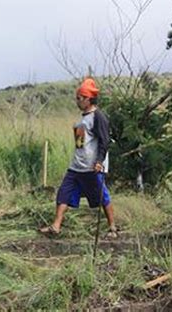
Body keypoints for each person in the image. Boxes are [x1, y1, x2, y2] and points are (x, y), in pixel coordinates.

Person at [40, 78, 118, 238]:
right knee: (64, 193)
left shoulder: (98, 117)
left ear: (89, 99)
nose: (77, 101)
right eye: (77, 98)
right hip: (77, 166)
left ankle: (112, 227)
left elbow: (104, 141)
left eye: (80, 98)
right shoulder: (83, 119)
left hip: (92, 166)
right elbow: (81, 144)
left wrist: (99, 161)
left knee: (102, 196)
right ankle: (56, 226)